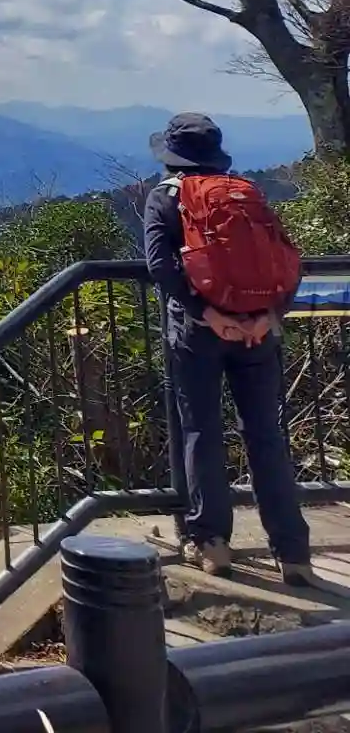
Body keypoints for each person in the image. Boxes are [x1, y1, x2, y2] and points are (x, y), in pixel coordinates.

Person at [143, 112, 313, 586]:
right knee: (265, 435)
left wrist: (207, 313)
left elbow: (159, 265)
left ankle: (212, 542)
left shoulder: (166, 196)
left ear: (172, 155)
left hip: (199, 333)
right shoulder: (244, 192)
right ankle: (293, 553)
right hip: (258, 331)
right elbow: (288, 260)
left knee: (202, 431)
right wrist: (269, 316)